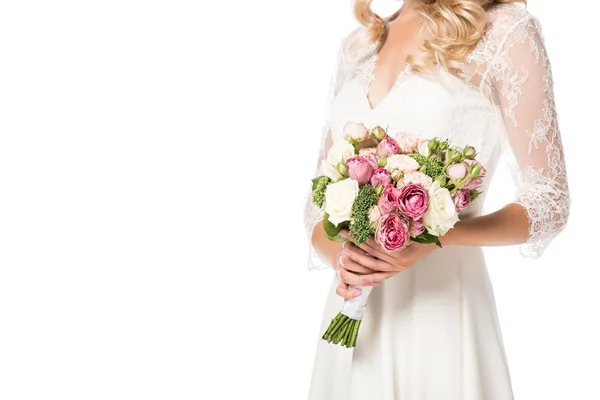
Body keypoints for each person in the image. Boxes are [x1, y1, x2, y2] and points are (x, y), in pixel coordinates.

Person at [303, 1, 571, 399]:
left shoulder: (502, 31)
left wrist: (437, 236)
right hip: (354, 322)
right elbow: (316, 205)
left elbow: (549, 202)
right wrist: (345, 260)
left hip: (444, 314)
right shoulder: (358, 45)